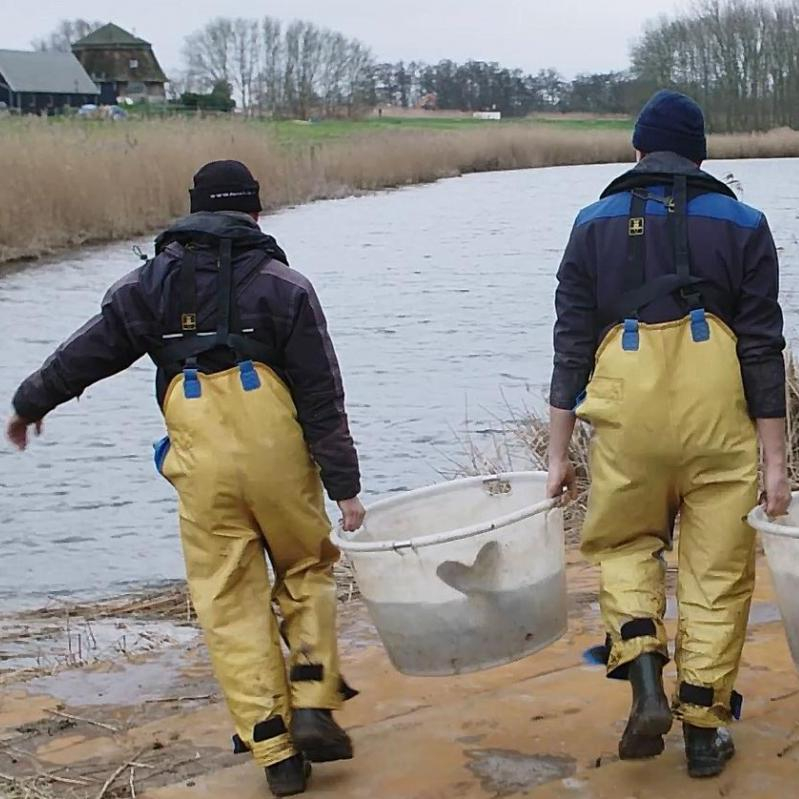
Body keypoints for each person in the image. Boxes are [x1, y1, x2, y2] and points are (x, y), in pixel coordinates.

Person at [6, 160, 366, 797]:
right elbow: (320, 396)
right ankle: (311, 700)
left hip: (201, 461)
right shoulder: (287, 286)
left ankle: (274, 748)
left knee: (229, 599)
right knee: (307, 568)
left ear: (193, 211)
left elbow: (86, 351)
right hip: (279, 454)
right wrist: (345, 487)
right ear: (255, 213)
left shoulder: (147, 286)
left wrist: (31, 402)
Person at [546, 91, 791, 778]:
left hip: (627, 415)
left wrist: (559, 452)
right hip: (720, 416)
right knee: (716, 574)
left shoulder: (590, 223)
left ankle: (646, 672)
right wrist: (775, 461)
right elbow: (762, 348)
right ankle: (705, 731)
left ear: (636, 149)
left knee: (623, 544)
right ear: (702, 154)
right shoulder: (744, 222)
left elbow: (569, 345)